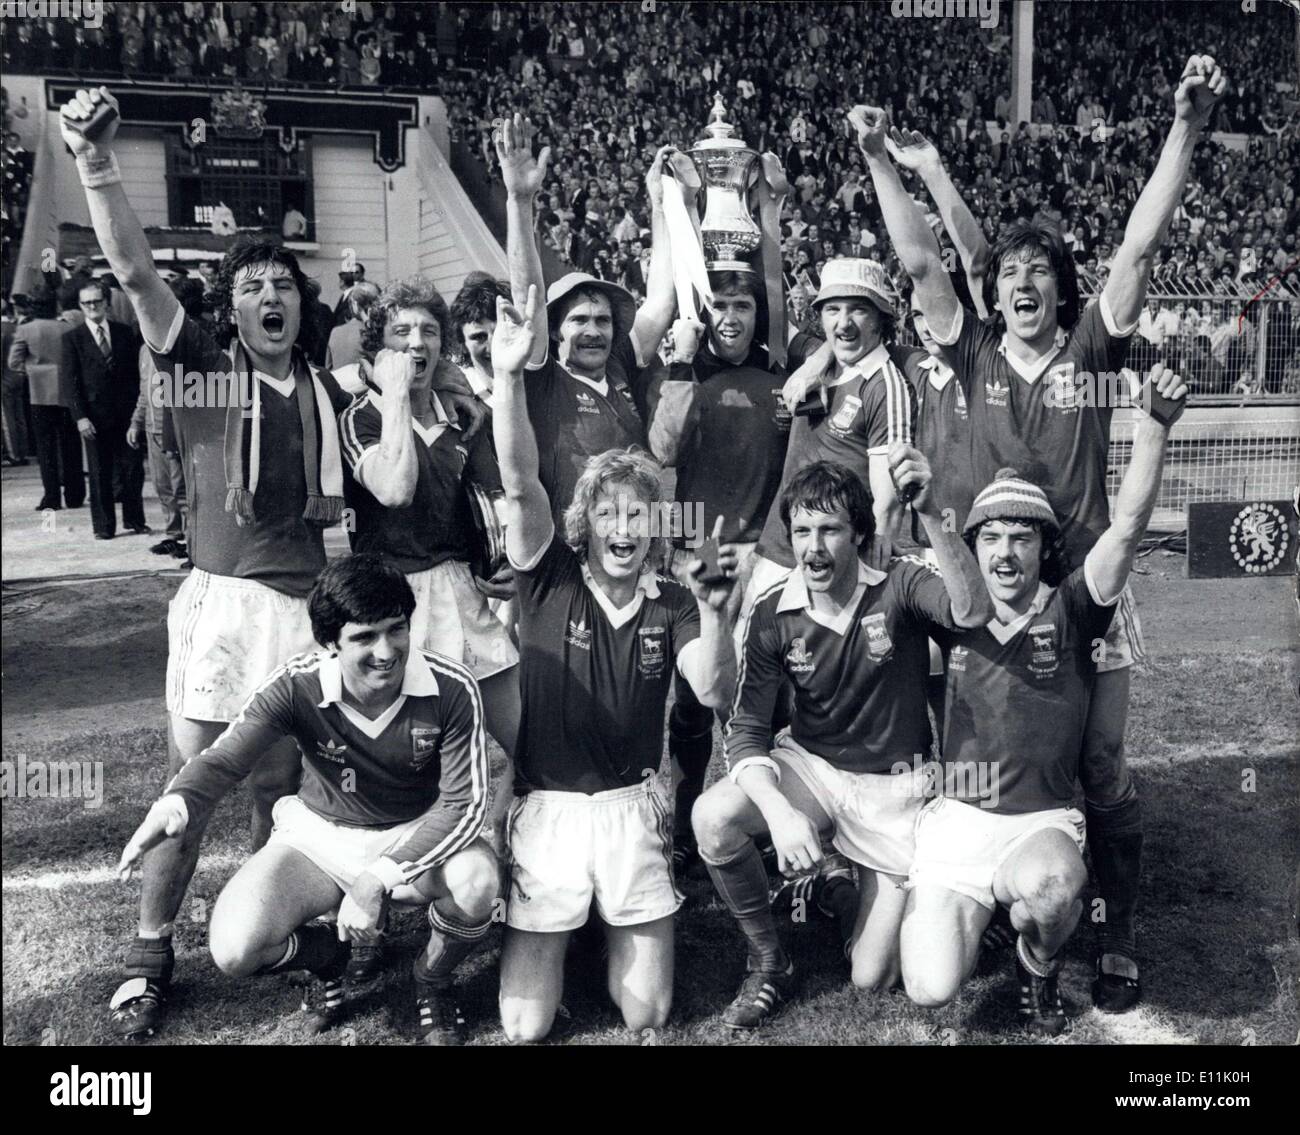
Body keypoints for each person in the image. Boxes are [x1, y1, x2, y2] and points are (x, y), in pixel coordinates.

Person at [854, 49, 1227, 1012]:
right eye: (1007, 271)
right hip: (990, 589)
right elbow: (922, 259)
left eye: (1038, 271)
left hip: (1086, 587)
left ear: (1062, 288)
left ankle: (1118, 925)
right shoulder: (970, 344)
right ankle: (974, 890)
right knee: (981, 751)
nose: (1020, 281)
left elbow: (1139, 248)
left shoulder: (1093, 351)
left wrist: (1184, 126)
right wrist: (879, 159)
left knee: (1100, 763)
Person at [60, 85, 352, 1039]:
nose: (272, 295)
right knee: (192, 790)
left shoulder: (328, 388)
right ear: (231, 306)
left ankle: (273, 935)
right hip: (227, 608)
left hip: (305, 610)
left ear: (303, 302)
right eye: (253, 285)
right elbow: (139, 276)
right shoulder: (203, 370)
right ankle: (151, 950)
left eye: (284, 284)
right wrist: (96, 161)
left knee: (278, 794)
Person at [901, 365, 1188, 1035]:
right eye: (991, 537)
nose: (1005, 552)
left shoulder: (1073, 609)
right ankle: (982, 913)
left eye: (1022, 537)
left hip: (1040, 823)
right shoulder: (952, 609)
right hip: (959, 823)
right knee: (929, 985)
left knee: (1057, 887)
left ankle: (1036, 962)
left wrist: (1153, 427)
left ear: (1042, 547)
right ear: (973, 546)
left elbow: (1126, 529)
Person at [491, 287, 739, 1042]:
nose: (624, 527)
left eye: (639, 513)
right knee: (525, 1026)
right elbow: (519, 479)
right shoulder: (548, 573)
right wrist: (506, 379)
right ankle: (563, 921)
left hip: (631, 809)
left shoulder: (674, 599)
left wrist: (721, 608)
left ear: (656, 524)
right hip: (551, 806)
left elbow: (713, 687)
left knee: (647, 1012)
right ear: (585, 521)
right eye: (609, 513)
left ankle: (598, 918)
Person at [117, 554, 497, 1046]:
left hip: (412, 833)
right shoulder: (296, 684)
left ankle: (433, 981)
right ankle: (326, 956)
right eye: (364, 637)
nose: (386, 651)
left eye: (396, 630)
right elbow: (225, 758)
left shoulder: (451, 685)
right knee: (234, 949)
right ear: (329, 642)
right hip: (321, 837)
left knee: (478, 881)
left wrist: (375, 881)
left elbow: (463, 806)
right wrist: (174, 805)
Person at [692, 458, 991, 1029]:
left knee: (871, 976)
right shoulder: (771, 611)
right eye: (802, 531)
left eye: (829, 530)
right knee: (714, 817)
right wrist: (779, 814)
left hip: (895, 788)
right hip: (814, 771)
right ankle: (770, 961)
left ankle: (842, 890)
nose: (813, 547)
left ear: (859, 533)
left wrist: (928, 510)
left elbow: (971, 611)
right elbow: (747, 731)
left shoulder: (901, 584)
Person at [640, 269, 819, 871]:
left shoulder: (780, 384)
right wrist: (682, 367)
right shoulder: (686, 374)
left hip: (768, 557)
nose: (732, 316)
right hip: (703, 551)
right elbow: (663, 450)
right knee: (696, 695)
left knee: (764, 698)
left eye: (743, 304)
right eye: (719, 306)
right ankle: (688, 830)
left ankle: (768, 823)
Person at [495, 113, 675, 527]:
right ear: (555, 329)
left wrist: (660, 205)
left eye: (603, 320)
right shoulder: (544, 378)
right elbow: (528, 298)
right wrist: (520, 203)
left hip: (629, 543)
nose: (593, 331)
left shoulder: (618, 365)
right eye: (579, 320)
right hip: (569, 551)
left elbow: (662, 301)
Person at [65, 279, 148, 541]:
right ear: (80, 306)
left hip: (126, 415)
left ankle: (135, 520)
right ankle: (104, 526)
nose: (92, 306)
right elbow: (70, 383)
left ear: (106, 304)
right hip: (94, 417)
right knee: (99, 472)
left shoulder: (124, 333)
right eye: (87, 303)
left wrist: (138, 415)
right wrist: (80, 418)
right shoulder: (72, 339)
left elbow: (137, 376)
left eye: (96, 301)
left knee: (133, 469)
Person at [7, 288, 83, 510]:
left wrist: (31, 370)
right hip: (68, 393)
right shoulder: (69, 327)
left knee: (46, 448)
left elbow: (14, 362)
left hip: (39, 393)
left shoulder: (26, 330)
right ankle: (75, 494)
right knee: (71, 444)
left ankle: (52, 496)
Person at [449, 271, 511, 407]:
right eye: (479, 337)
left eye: (501, 331)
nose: (494, 347)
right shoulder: (456, 398)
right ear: (462, 344)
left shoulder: (538, 384)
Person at [325, 280, 379, 372]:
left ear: (353, 305)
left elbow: (328, 367)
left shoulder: (335, 332)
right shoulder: (376, 333)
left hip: (339, 383)